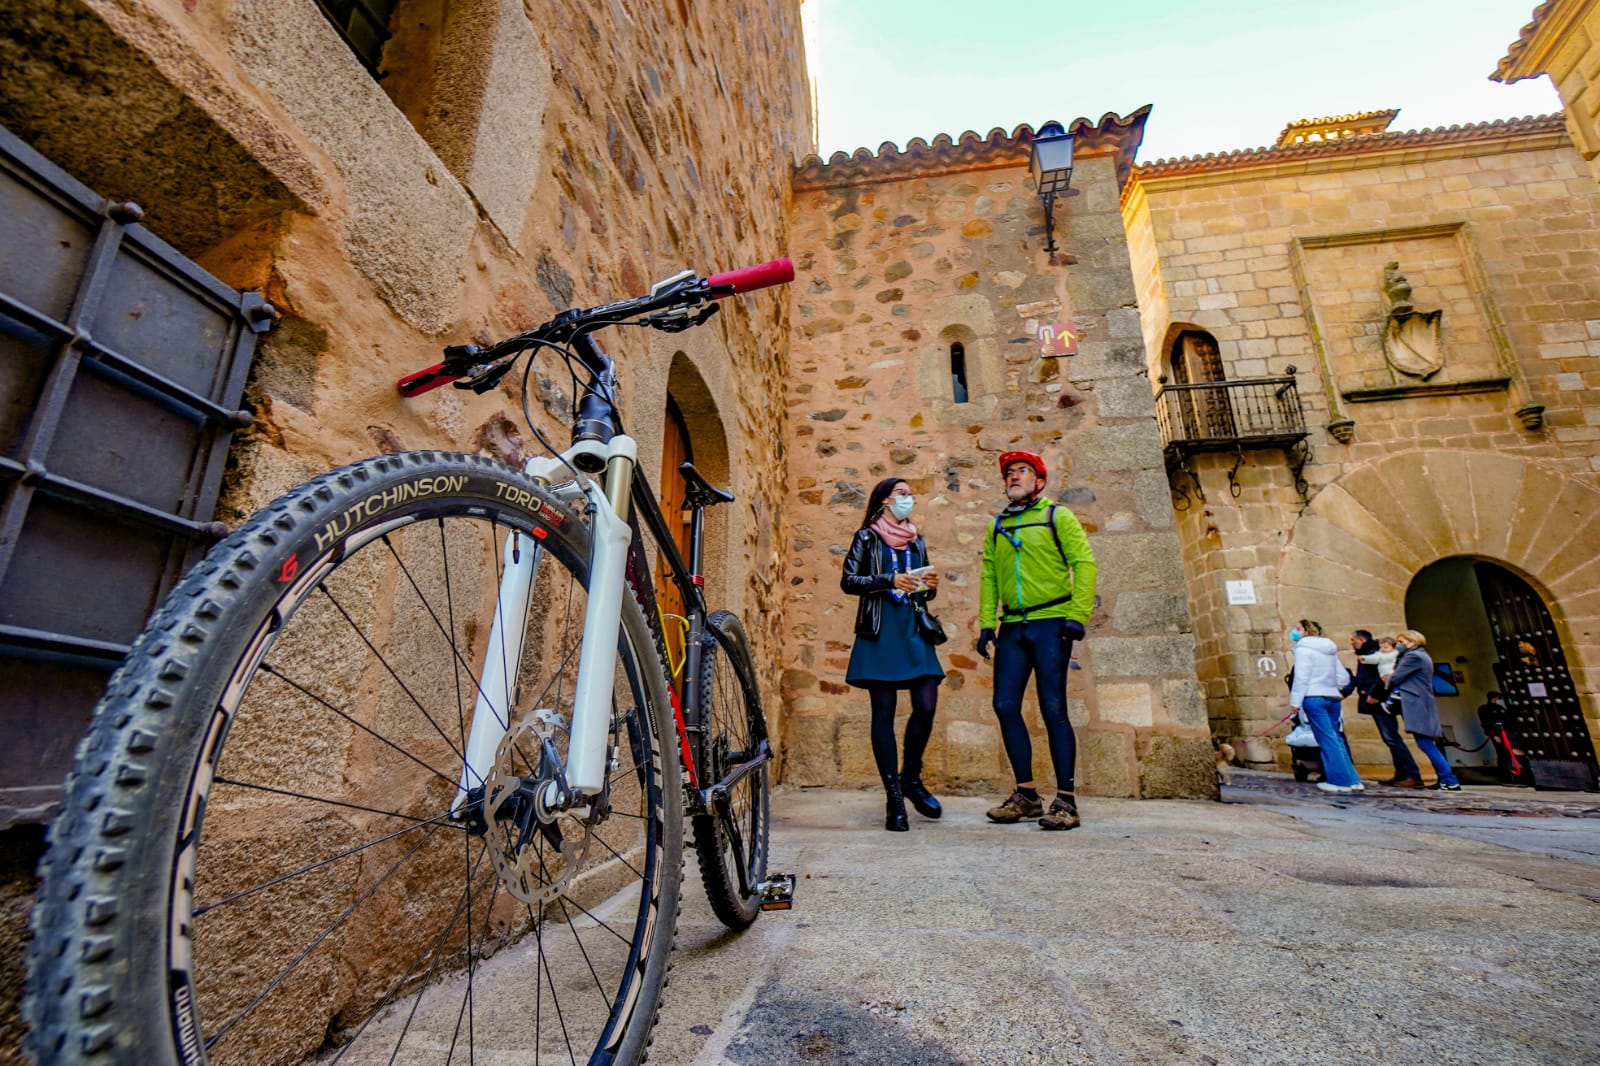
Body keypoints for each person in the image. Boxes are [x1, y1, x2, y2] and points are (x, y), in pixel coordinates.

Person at [975, 451, 1096, 831]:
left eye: (1022, 471)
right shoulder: (997, 525)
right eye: (1009, 473)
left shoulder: (1055, 516)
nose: (1013, 477)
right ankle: (1026, 795)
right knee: (1004, 705)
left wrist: (1077, 616)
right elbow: (989, 575)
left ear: (1039, 481)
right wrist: (985, 624)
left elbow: (1084, 563)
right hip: (1012, 626)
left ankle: (1066, 802)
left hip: (1051, 622)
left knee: (1053, 707)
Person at [841, 476, 946, 831]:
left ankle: (911, 778)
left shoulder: (917, 541)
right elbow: (848, 580)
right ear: (885, 501)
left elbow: (923, 592)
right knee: (883, 712)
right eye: (902, 494)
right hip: (881, 631)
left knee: (927, 703)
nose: (909, 499)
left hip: (914, 630)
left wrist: (929, 587)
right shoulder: (867, 537)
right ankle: (894, 798)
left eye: (910, 494)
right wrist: (888, 580)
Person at [1288, 620, 1363, 794]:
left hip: (1313, 696)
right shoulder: (1329, 649)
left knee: (1326, 739)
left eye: (1298, 629)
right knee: (1336, 738)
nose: (1295, 632)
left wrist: (1295, 703)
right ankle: (1353, 780)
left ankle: (1339, 781)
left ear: (1306, 631)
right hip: (1332, 697)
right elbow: (1343, 678)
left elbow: (1301, 677)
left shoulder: (1303, 649)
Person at [1386, 629, 1461, 791]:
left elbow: (1396, 677)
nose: (1398, 645)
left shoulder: (1413, 656)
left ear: (1412, 642)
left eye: (1401, 641)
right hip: (1420, 704)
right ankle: (1445, 778)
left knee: (1426, 744)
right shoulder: (1418, 656)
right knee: (1426, 743)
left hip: (1417, 704)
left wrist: (1389, 678)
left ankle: (1449, 779)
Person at [1349, 629, 1422, 787]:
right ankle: (1402, 774)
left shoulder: (1379, 652)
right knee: (1390, 738)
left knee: (1391, 738)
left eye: (1353, 641)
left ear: (1361, 640)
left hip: (1380, 700)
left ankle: (1411, 774)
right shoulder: (1374, 652)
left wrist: (1374, 694)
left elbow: (1384, 677)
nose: (1352, 644)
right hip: (1379, 699)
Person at [1476, 691, 1516, 785]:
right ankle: (1505, 777)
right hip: (1497, 734)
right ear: (1494, 698)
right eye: (1498, 698)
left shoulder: (1501, 708)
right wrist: (1493, 735)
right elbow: (1486, 723)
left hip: (1507, 733)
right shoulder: (1484, 709)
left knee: (1508, 754)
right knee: (1502, 755)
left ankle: (1511, 775)